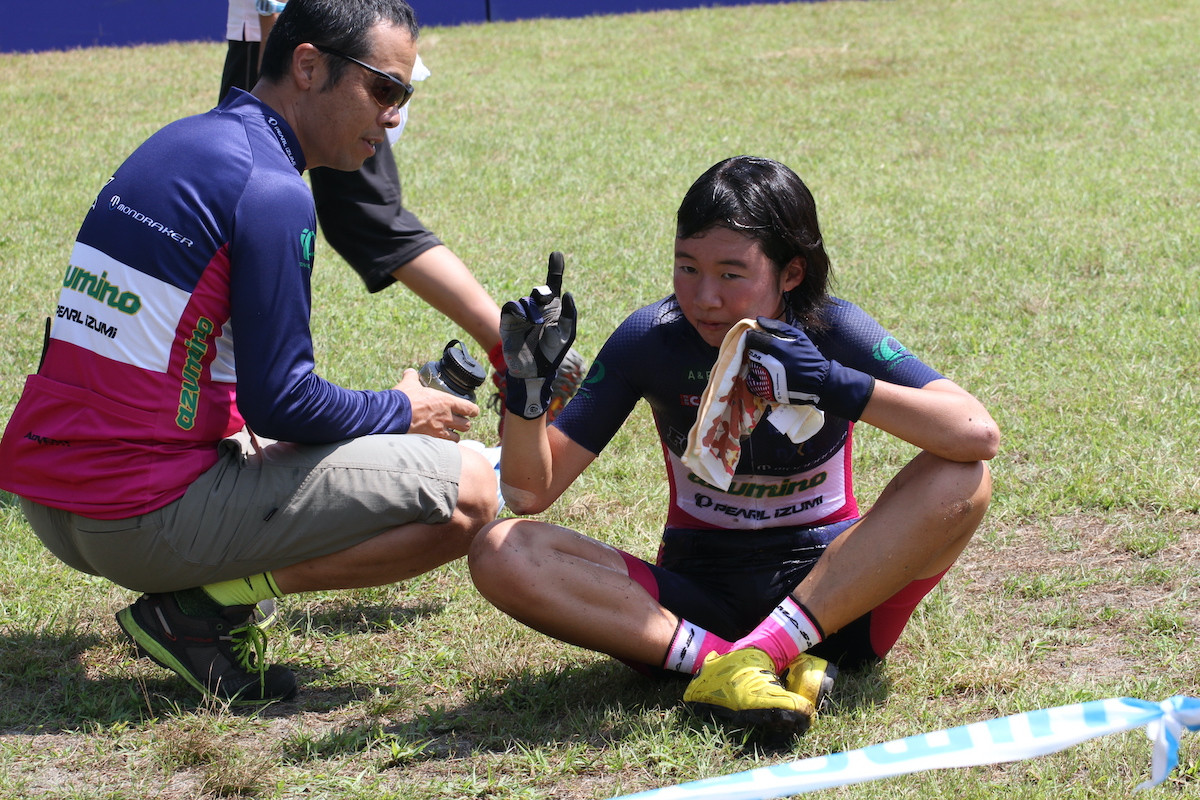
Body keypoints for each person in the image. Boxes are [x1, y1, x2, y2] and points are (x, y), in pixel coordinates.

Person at [0, 0, 500, 705]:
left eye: (404, 93)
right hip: (130, 519)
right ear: (307, 65)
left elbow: (172, 353)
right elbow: (285, 403)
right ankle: (200, 609)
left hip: (50, 498)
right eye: (385, 89)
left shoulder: (182, 140)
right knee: (472, 494)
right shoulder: (272, 189)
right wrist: (401, 408)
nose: (394, 115)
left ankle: (197, 598)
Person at [469, 156, 999, 736]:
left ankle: (758, 654)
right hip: (697, 600)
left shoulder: (832, 329)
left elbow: (975, 432)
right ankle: (733, 665)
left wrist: (828, 381)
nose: (704, 297)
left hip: (839, 595)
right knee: (500, 550)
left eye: (731, 273)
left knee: (964, 477)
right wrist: (526, 394)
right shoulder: (651, 338)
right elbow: (528, 492)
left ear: (790, 274)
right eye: (686, 267)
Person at [221, 0, 585, 431]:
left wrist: (275, 42)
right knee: (260, 205)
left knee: (356, 214)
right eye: (386, 95)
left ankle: (514, 356)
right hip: (303, 42)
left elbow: (285, 404)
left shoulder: (314, 71)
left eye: (396, 97)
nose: (392, 117)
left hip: (316, 44)